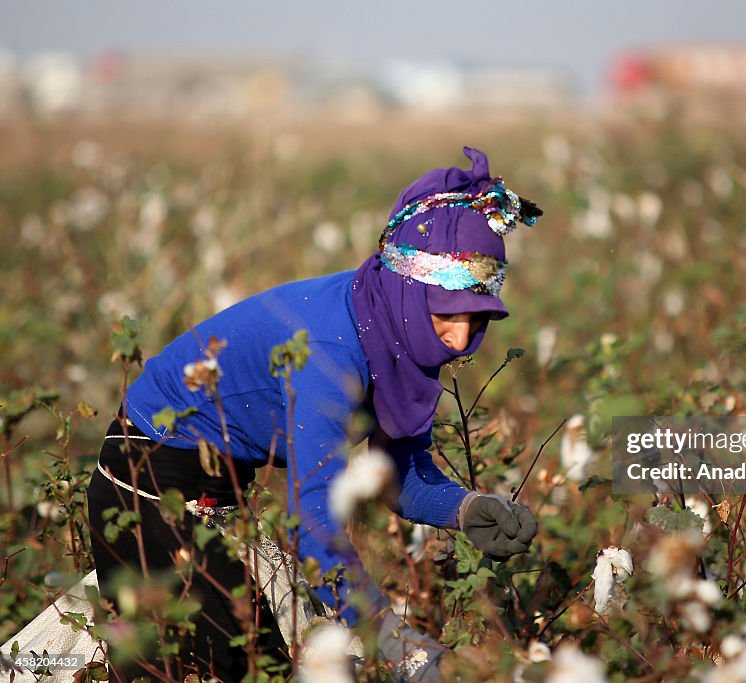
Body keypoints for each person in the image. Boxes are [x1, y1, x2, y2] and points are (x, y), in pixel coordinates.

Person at [85, 147, 542, 682]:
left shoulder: (394, 326)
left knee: (255, 659)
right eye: (446, 314)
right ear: (408, 290)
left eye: (476, 319)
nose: (461, 339)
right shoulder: (331, 354)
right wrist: (390, 640)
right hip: (147, 481)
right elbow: (313, 525)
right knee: (231, 664)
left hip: (219, 486)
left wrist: (465, 509)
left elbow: (400, 475)